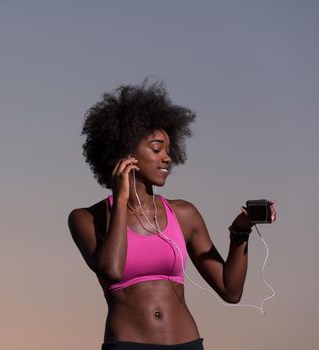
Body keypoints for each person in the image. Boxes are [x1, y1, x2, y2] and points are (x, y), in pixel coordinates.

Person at [67, 79, 276, 350]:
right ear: (126, 152)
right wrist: (120, 200)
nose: (168, 158)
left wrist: (241, 231)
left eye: (168, 149)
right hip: (127, 345)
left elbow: (231, 290)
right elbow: (112, 270)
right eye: (157, 149)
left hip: (187, 344)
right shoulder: (86, 218)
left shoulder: (184, 214)